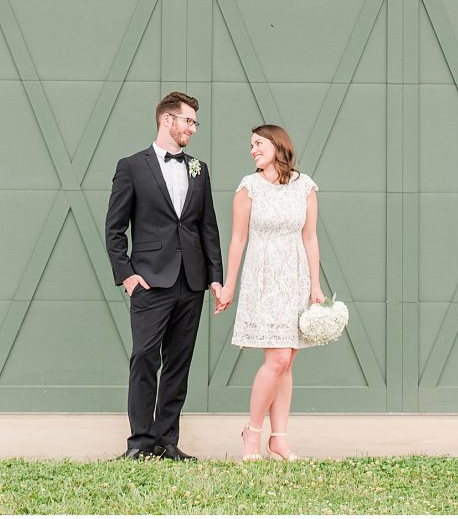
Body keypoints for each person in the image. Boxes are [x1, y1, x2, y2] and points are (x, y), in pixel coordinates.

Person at [105, 92, 223, 460]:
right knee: (144, 357)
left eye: (194, 123)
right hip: (149, 281)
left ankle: (166, 441)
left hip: (191, 282)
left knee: (179, 362)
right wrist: (126, 275)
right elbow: (114, 229)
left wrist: (215, 278)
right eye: (188, 121)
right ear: (166, 120)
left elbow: (208, 228)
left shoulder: (199, 169)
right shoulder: (131, 166)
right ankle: (139, 442)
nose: (192, 128)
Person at [215, 124, 325, 461]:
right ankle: (252, 432)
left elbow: (310, 238)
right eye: (251, 145)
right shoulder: (248, 189)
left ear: (278, 146)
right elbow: (238, 239)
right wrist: (229, 284)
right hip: (262, 279)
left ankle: (279, 438)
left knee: (287, 362)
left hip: (296, 279)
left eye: (258, 143)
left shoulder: (305, 187)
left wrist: (316, 286)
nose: (252, 150)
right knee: (276, 359)